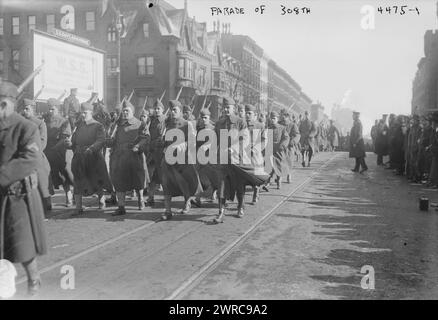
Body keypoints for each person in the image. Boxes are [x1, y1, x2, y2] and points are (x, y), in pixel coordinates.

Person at [0, 81, 47, 296]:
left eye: (3, 105)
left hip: (17, 196)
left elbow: (31, 158)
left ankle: (33, 280)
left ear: (11, 104)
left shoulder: (26, 127)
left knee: (21, 244)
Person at [65, 102, 113, 215]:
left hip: (93, 157)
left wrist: (92, 148)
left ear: (91, 112)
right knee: (78, 181)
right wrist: (69, 143)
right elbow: (74, 142)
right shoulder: (78, 127)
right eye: (81, 112)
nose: (82, 115)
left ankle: (101, 202)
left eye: (85, 112)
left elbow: (101, 140)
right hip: (79, 157)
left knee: (97, 180)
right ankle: (78, 207)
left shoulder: (98, 126)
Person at [160, 100, 202, 220]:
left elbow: (192, 141)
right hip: (168, 159)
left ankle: (187, 202)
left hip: (182, 159)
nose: (172, 112)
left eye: (175, 110)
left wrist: (181, 145)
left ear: (180, 112)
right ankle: (167, 210)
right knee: (166, 183)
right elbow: (165, 140)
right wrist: (162, 142)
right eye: (171, 110)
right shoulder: (167, 125)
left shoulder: (187, 124)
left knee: (183, 183)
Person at [108, 101, 150, 215]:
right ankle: (121, 207)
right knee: (119, 180)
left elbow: (145, 138)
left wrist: (138, 146)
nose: (125, 112)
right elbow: (112, 140)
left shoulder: (140, 124)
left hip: (134, 156)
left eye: (127, 110)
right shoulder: (117, 125)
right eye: (124, 110)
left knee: (138, 180)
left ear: (132, 111)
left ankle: (141, 199)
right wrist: (109, 141)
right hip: (119, 157)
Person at [213, 97, 248, 223]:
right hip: (222, 159)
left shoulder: (240, 122)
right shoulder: (219, 123)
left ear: (234, 108)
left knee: (239, 184)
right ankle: (221, 212)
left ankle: (240, 206)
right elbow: (215, 139)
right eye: (225, 107)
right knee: (221, 185)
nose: (226, 109)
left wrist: (234, 149)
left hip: (237, 159)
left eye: (229, 107)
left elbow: (245, 139)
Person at [21, 98, 53, 215]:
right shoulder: (20, 123)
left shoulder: (40, 123)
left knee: (42, 180)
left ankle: (46, 204)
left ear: (33, 109)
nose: (25, 111)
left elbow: (42, 142)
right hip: (22, 157)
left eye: (27, 109)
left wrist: (29, 150)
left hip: (37, 156)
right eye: (23, 109)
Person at [44, 97, 74, 207]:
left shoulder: (64, 121)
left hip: (60, 151)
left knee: (65, 174)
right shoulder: (45, 120)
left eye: (52, 109)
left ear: (58, 109)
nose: (50, 111)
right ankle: (48, 202)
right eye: (49, 109)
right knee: (48, 175)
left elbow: (64, 137)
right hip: (47, 150)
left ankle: (69, 197)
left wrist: (56, 147)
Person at [146, 100, 166, 206]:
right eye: (155, 108)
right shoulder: (152, 121)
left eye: (159, 109)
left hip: (161, 153)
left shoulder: (166, 120)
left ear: (162, 110)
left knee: (163, 176)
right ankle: (150, 197)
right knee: (151, 176)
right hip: (152, 153)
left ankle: (167, 197)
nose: (157, 110)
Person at [268, 111, 290, 189]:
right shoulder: (269, 128)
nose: (272, 120)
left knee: (278, 166)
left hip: (279, 150)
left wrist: (282, 145)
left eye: (274, 118)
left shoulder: (282, 128)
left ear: (277, 119)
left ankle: (279, 180)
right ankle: (267, 182)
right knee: (269, 166)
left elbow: (286, 138)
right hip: (270, 150)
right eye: (271, 118)